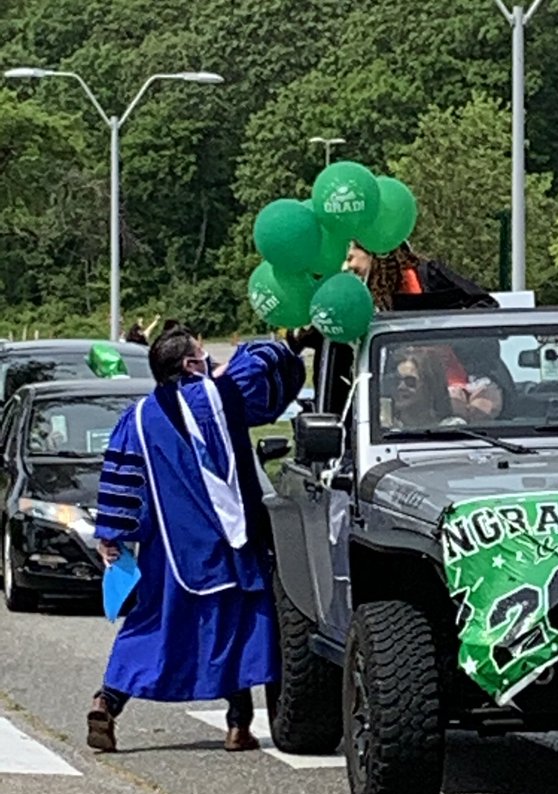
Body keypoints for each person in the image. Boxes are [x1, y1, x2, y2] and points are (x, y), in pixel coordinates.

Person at [86, 325, 305, 753]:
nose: (211, 360)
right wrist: (292, 340)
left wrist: (112, 534)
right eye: (203, 354)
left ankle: (107, 701)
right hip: (231, 546)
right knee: (235, 631)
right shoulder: (224, 398)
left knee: (153, 628)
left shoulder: (138, 418)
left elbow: (122, 481)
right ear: (190, 365)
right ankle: (238, 724)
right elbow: (264, 367)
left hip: (168, 555)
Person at [344, 241, 497, 312]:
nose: (347, 266)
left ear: (372, 254)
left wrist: (451, 332)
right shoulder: (362, 298)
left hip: (448, 368)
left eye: (350, 258)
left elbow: (486, 303)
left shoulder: (428, 274)